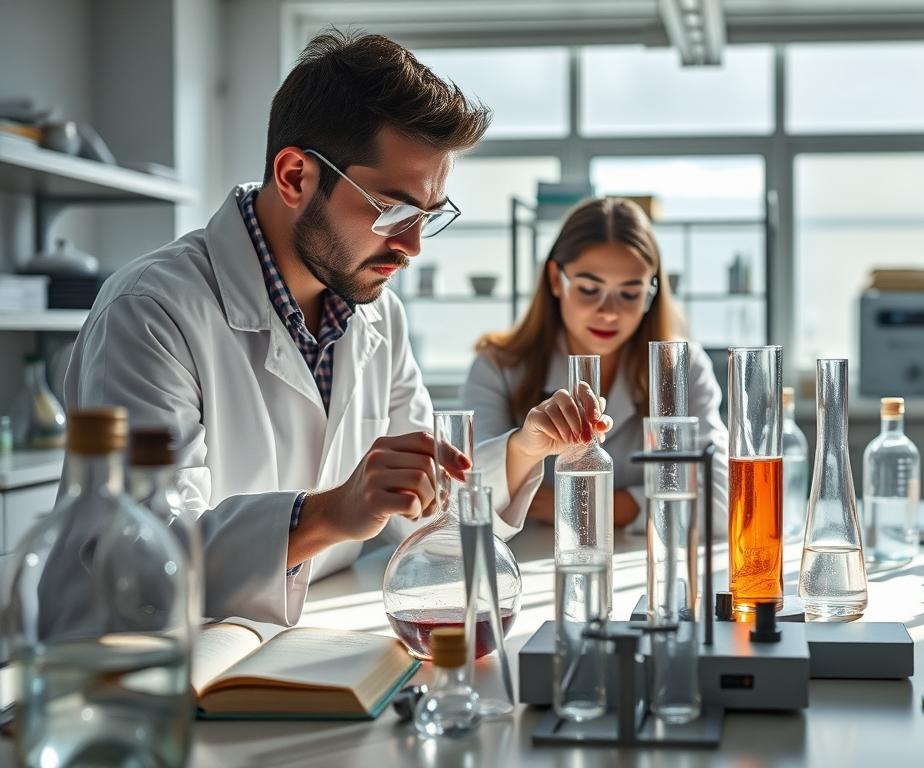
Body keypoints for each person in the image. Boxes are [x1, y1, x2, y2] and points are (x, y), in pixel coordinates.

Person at [58, 31, 606, 626]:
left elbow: (424, 510)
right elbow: (137, 554)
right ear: (295, 176)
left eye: (429, 215)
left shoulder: (376, 314)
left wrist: (525, 448)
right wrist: (325, 514)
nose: (414, 246)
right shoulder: (151, 311)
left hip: (298, 641)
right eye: (393, 210)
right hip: (136, 670)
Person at [464, 197, 729, 533]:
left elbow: (720, 502)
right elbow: (471, 500)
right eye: (590, 289)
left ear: (652, 292)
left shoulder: (683, 366)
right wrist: (522, 450)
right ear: (556, 279)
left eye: (630, 294)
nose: (609, 311)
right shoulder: (497, 366)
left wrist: (586, 503)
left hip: (644, 565)